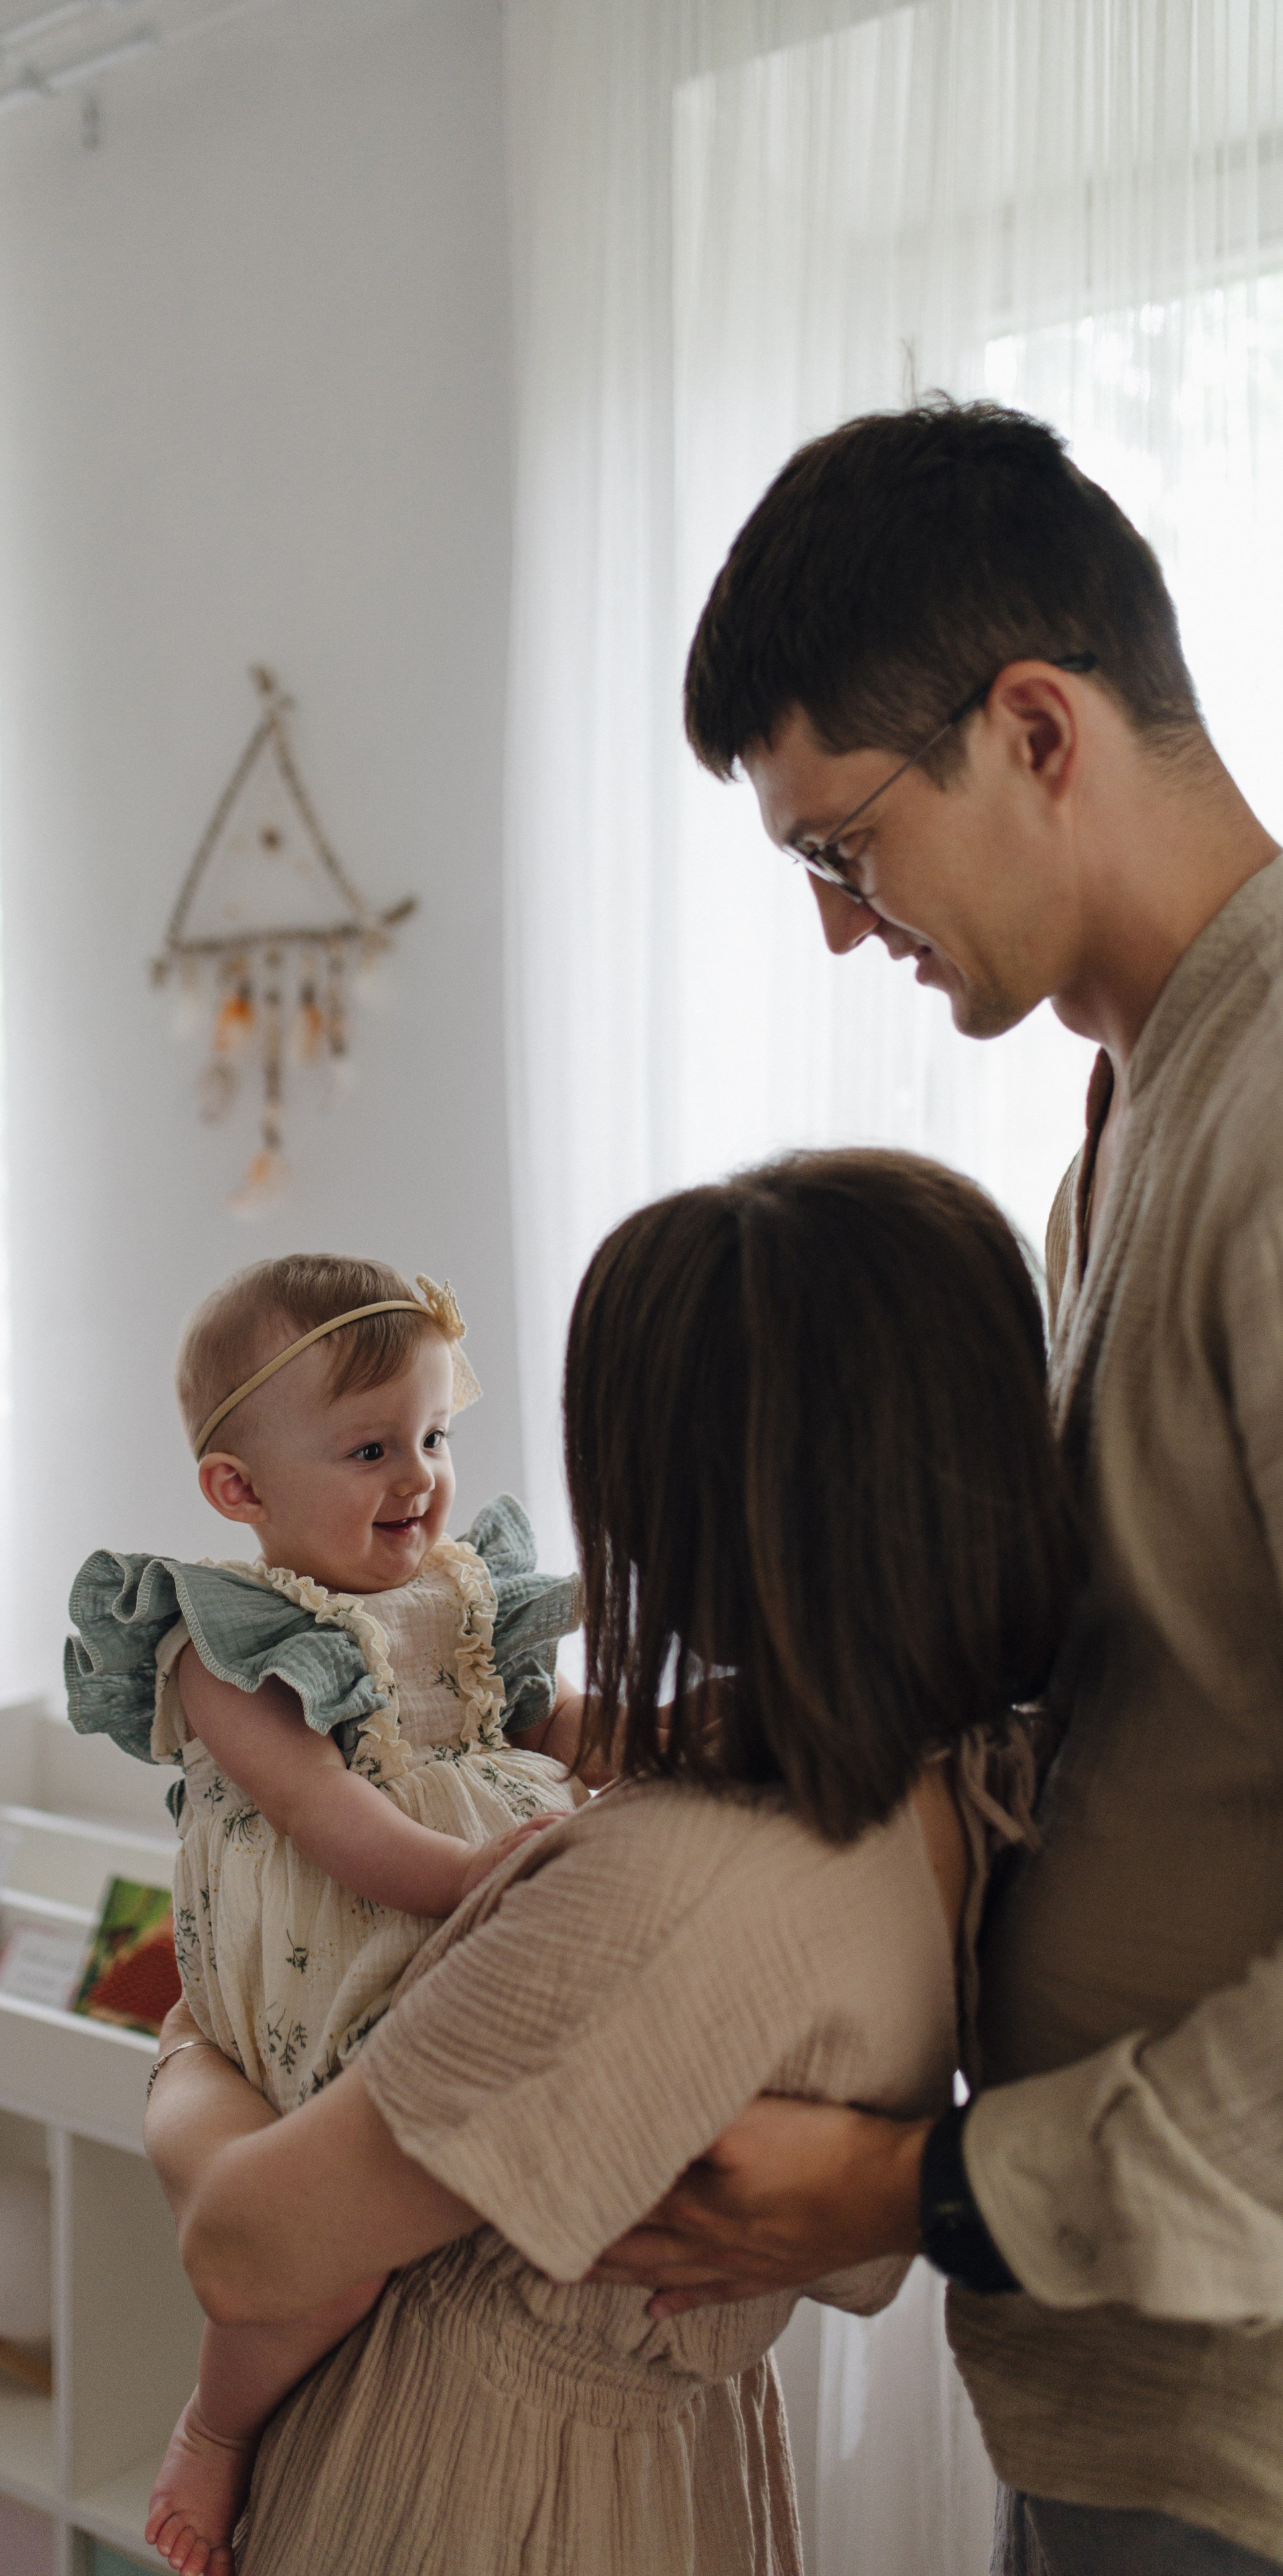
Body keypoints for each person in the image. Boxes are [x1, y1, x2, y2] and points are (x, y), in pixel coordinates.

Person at [600, 398, 1283, 2576]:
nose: (834, 926)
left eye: (840, 847)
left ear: (1034, 726)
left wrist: (935, 2188)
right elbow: (1130, 1706)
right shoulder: (1132, 1119)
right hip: (1118, 2356)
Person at [141, 1153, 1077, 2576]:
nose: (428, 1486)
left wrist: (188, 2066)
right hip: (661, 2464)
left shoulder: (651, 1887)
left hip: (478, 2489)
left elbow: (248, 2245)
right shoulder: (961, 1779)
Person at [63, 1255, 587, 2575]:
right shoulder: (227, 1639)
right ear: (240, 1490)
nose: (416, 1475)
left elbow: (542, 1718)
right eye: (367, 1448)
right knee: (313, 2263)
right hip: (272, 2005)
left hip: (419, 1951)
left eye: (430, 1434)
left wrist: (652, 1731)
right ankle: (216, 2426)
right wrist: (474, 1877)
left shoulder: (459, 1596)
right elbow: (323, 1817)